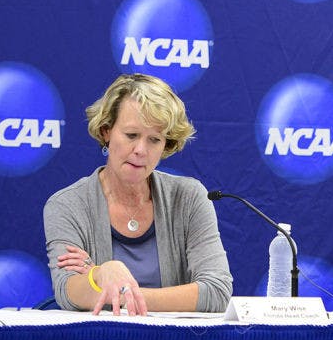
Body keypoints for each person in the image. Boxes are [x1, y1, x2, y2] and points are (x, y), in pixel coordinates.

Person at [44, 73, 232, 316]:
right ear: (106, 131)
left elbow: (217, 292)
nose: (141, 150)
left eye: (154, 140)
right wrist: (103, 273)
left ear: (166, 145)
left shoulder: (189, 197)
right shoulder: (68, 204)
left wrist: (119, 291)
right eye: (131, 135)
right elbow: (68, 291)